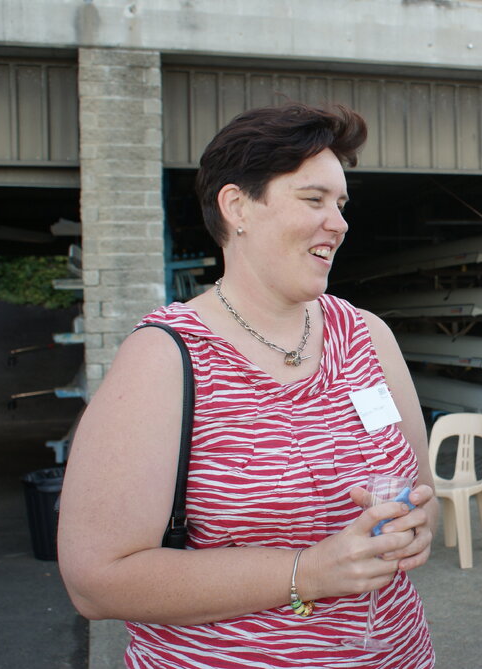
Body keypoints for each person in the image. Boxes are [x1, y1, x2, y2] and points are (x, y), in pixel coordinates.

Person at [59, 103, 437, 668]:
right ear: (237, 206)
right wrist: (307, 571)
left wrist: (409, 528)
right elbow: (96, 580)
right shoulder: (166, 357)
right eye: (313, 200)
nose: (338, 223)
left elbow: (421, 493)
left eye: (340, 204)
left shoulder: (368, 336)